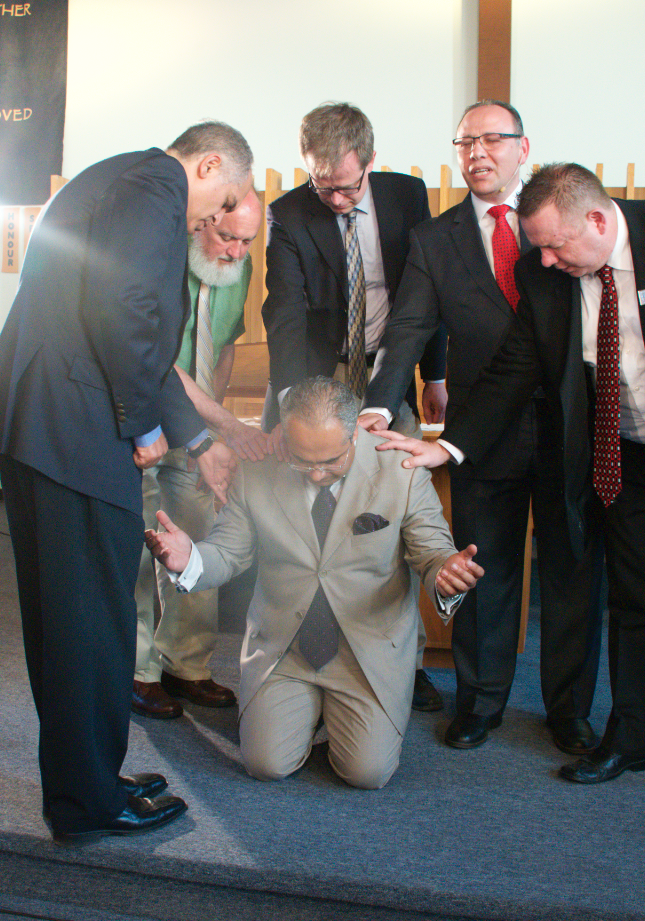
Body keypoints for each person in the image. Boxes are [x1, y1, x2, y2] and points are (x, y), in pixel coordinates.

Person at [378, 163, 645, 806]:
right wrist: (449, 447)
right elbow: (514, 368)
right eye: (540, 249)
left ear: (598, 220)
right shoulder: (545, 274)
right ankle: (630, 740)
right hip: (631, 463)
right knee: (636, 607)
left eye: (556, 246)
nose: (547, 262)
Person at [0, 122, 256, 840]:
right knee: (89, 626)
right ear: (207, 165)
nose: (214, 218)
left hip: (50, 425)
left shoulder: (122, 180)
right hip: (74, 429)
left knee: (75, 623)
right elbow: (125, 312)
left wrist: (198, 439)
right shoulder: (155, 185)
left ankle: (87, 777)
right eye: (223, 200)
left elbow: (133, 329)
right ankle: (86, 801)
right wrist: (147, 425)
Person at [145, 377, 482, 789]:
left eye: (332, 460)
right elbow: (229, 552)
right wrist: (190, 559)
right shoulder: (256, 470)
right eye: (303, 461)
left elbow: (433, 552)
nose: (318, 474)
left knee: (367, 773)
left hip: (366, 648)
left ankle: (335, 715)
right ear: (284, 437)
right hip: (285, 647)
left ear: (355, 434)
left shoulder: (402, 469)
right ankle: (307, 711)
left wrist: (446, 573)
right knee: (266, 765)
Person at [262, 101, 447, 712]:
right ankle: (310, 652)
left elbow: (425, 293)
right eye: (323, 186)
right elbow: (284, 312)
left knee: (391, 518)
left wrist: (434, 374)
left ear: (369, 162)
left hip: (390, 368)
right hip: (321, 369)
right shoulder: (290, 213)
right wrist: (291, 402)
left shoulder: (405, 196)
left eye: (346, 187)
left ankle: (404, 659)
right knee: (317, 520)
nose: (336, 200)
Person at [132, 191, 276, 720]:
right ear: (201, 223)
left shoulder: (239, 263)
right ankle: (138, 670)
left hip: (195, 426)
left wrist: (209, 430)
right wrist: (220, 427)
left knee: (197, 536)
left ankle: (185, 664)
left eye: (247, 241)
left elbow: (226, 343)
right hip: (142, 419)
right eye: (227, 237)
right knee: (140, 547)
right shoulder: (159, 259)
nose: (237, 252)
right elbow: (160, 364)